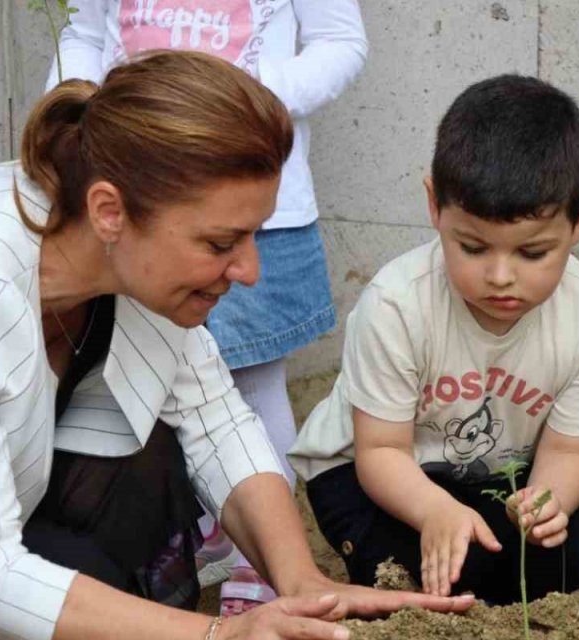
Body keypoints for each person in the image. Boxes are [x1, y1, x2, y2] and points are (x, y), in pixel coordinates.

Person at [0, 51, 470, 640]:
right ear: (110, 209)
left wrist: (298, 583)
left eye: (254, 235)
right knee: (97, 587)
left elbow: (217, 420)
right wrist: (219, 633)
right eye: (222, 241)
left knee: (139, 487)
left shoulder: (110, 245)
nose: (250, 269)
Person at [44, 0, 368, 615]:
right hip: (146, 183)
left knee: (241, 384)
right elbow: (81, 35)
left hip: (237, 180)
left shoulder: (227, 243)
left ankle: (257, 561)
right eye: (224, 251)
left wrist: (232, 104)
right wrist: (90, 121)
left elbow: (340, 43)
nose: (241, 271)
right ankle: (188, 545)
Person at [289, 75, 579, 604]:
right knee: (414, 568)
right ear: (434, 206)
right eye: (471, 247)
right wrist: (436, 512)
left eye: (532, 253)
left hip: (491, 480)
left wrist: (544, 502)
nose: (499, 276)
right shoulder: (398, 302)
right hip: (373, 472)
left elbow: (569, 451)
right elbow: (380, 450)